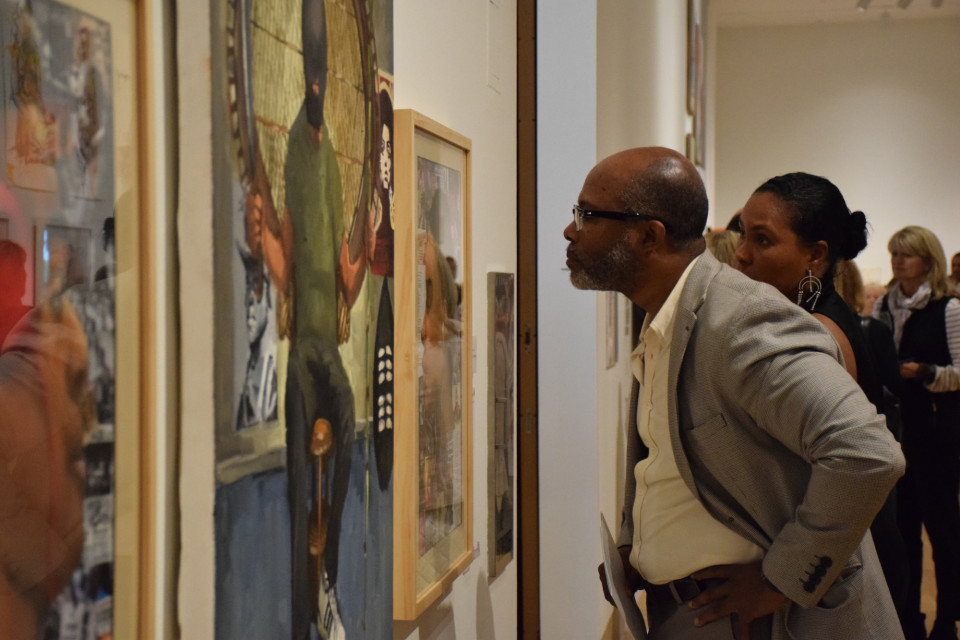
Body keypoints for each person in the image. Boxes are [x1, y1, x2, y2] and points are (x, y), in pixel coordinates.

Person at [565, 147, 905, 639]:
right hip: (687, 611)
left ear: (648, 236)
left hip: (765, 622)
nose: (571, 231)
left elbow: (867, 453)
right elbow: (663, 458)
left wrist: (783, 579)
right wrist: (634, 548)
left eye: (587, 215)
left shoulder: (742, 322)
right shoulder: (666, 316)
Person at [244, 0, 368, 636]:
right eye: (310, 70)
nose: (317, 82)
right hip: (303, 358)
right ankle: (300, 619)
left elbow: (345, 281)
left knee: (341, 461)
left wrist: (367, 248)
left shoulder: (336, 162)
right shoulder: (294, 148)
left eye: (322, 70)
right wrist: (261, 230)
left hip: (333, 356)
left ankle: (328, 591)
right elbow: (288, 265)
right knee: (300, 495)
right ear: (302, 74)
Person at [733, 173, 907, 624]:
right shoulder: (804, 319)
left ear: (816, 254)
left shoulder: (818, 335)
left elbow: (866, 459)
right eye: (742, 233)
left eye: (762, 239)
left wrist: (784, 578)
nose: (741, 254)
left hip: (840, 573)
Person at [873, 226, 960, 640]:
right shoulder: (884, 308)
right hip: (895, 436)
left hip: (937, 435)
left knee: (944, 533)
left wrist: (925, 373)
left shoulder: (949, 308)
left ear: (928, 259)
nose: (897, 260)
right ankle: (909, 621)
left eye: (906, 253)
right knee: (903, 532)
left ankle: (947, 620)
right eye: (894, 253)